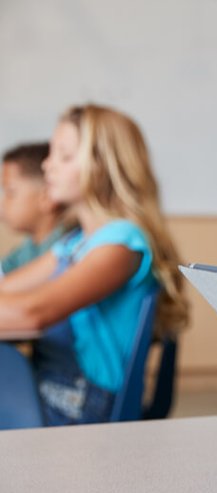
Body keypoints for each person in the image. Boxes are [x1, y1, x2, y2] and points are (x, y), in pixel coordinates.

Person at [0, 104, 189, 425]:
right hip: (47, 387)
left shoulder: (122, 244)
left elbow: (32, 313)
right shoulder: (73, 244)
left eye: (65, 156)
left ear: (102, 167)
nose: (48, 165)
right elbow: (6, 289)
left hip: (80, 404)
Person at [1, 142, 69, 276]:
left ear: (46, 198)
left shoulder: (65, 246)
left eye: (10, 192)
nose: (1, 203)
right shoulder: (28, 248)